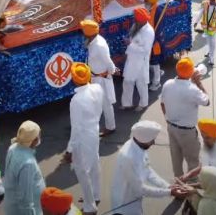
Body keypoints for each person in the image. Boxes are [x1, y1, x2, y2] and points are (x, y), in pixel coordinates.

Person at [111, 120, 177, 214]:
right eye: (151, 140)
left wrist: (167, 186)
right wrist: (169, 192)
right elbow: (140, 189)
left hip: (134, 199)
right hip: (124, 205)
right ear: (143, 139)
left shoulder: (138, 145)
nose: (154, 142)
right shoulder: (128, 157)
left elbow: (148, 170)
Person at [62, 63, 103, 215]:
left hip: (83, 137)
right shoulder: (97, 89)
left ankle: (90, 206)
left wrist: (69, 150)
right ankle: (95, 195)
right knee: (94, 164)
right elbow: (100, 110)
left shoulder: (76, 100)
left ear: (74, 79)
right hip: (94, 131)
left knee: (82, 171)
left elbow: (76, 128)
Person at [161, 58, 210, 178]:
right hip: (187, 132)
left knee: (175, 158)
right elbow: (207, 101)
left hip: (171, 127)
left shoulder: (168, 84)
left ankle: (178, 183)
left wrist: (168, 119)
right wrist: (198, 82)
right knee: (193, 162)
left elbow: (162, 104)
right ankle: (191, 187)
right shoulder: (192, 89)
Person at [178, 118, 216, 197]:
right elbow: (202, 166)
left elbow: (214, 182)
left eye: (207, 138)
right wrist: (188, 175)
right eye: (202, 136)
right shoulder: (208, 143)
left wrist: (191, 187)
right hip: (208, 190)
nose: (204, 140)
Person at [80, 19, 117, 137]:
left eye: (83, 32)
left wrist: (108, 73)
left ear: (88, 34)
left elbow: (109, 63)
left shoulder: (99, 45)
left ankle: (110, 127)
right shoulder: (93, 41)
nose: (82, 34)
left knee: (106, 104)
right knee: (97, 103)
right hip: (95, 78)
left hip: (101, 80)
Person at [4, 121, 45, 215]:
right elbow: (25, 200)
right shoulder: (27, 164)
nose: (40, 137)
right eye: (38, 135)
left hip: (11, 202)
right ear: (33, 140)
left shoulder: (14, 147)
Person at [121, 7, 155, 111]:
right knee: (127, 81)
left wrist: (130, 44)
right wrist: (129, 46)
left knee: (141, 83)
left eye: (136, 18)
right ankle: (127, 103)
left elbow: (145, 50)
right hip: (131, 59)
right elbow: (133, 39)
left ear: (142, 20)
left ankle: (143, 103)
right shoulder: (136, 25)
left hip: (140, 61)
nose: (134, 20)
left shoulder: (149, 32)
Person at [198, 0, 216, 66]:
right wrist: (195, 22)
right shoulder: (204, 4)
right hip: (206, 28)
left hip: (214, 28)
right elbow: (200, 13)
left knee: (213, 43)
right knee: (208, 41)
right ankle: (209, 52)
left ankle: (212, 59)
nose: (212, 0)